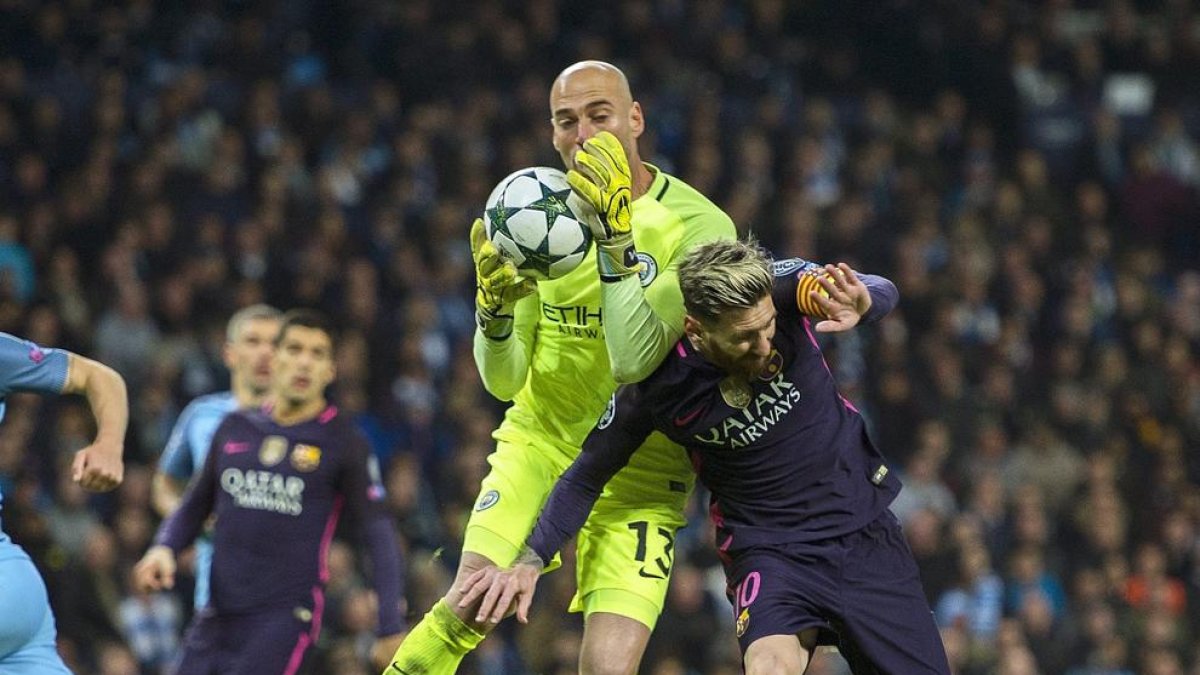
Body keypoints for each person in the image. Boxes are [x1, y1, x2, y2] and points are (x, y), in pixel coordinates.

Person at [386, 60, 736, 674]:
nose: (583, 135)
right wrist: (494, 313)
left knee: (607, 668)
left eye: (600, 116)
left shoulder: (699, 227)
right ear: (552, 132)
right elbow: (503, 382)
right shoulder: (535, 213)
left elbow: (635, 362)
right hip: (542, 442)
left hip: (643, 470)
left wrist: (614, 240)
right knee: (467, 605)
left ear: (635, 119)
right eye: (566, 121)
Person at [461, 240, 952, 674]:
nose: (764, 345)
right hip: (770, 549)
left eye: (768, 327)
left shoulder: (784, 288)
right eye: (744, 337)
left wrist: (864, 301)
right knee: (769, 666)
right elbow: (586, 475)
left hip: (863, 528)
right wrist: (530, 560)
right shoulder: (658, 387)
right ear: (697, 330)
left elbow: (878, 288)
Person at [134, 310, 406, 674]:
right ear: (274, 359)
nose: (304, 362)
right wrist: (164, 547)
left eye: (317, 353)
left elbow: (378, 531)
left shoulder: (343, 441)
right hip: (216, 614)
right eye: (294, 349)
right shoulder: (234, 427)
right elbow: (195, 504)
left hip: (283, 619)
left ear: (330, 370)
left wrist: (390, 626)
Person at [0, 332, 127, 673]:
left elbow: (97, 376)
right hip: (15, 581)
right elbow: (99, 376)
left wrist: (108, 446)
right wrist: (108, 444)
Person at [151, 303, 282, 610]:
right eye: (253, 342)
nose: (265, 353)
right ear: (230, 354)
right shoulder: (202, 415)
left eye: (275, 344)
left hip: (283, 597)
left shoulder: (308, 427)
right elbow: (164, 482)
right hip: (214, 595)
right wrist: (190, 518)